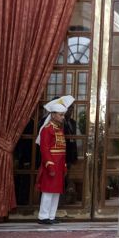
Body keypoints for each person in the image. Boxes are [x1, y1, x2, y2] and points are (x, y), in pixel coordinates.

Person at [36, 95, 75, 225]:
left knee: (57, 191)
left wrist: (63, 165)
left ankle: (51, 215)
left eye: (63, 115)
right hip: (50, 164)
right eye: (60, 115)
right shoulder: (46, 130)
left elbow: (63, 150)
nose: (63, 117)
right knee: (48, 190)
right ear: (53, 115)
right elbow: (45, 149)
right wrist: (49, 164)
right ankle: (43, 216)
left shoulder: (59, 130)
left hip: (59, 164)